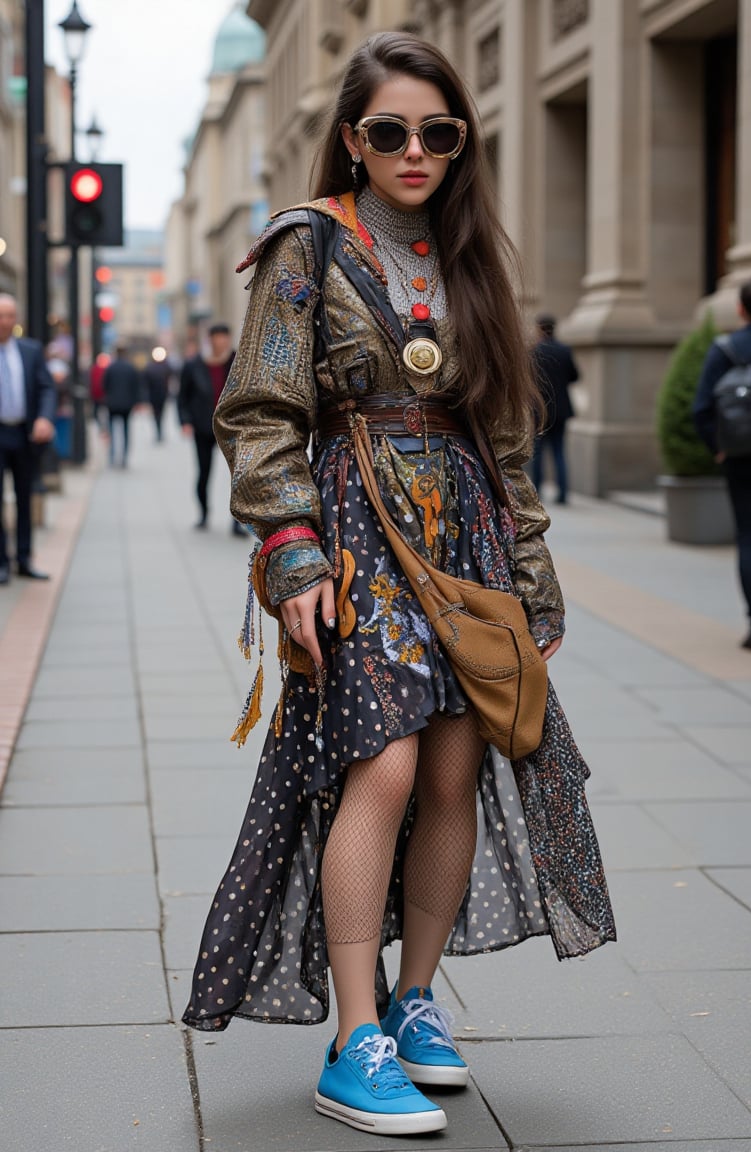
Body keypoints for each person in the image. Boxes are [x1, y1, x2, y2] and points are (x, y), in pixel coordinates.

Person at [182, 32, 615, 1137]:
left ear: (459, 141)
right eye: (390, 131)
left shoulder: (470, 253)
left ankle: (419, 1001)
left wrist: (533, 577)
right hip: (356, 527)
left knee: (457, 771)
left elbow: (505, 431)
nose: (414, 149)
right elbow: (260, 413)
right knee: (382, 765)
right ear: (352, 140)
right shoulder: (306, 248)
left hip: (464, 536)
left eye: (437, 131)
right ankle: (353, 1038)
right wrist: (291, 554)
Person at [693, 276, 751, 652]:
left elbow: (701, 409)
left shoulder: (724, 349)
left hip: (740, 458)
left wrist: (718, 448)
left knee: (750, 537)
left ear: (740, 309)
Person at [0, 293, 56, 584]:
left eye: (10, 315)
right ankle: (1, 563)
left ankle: (23, 558)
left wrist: (45, 418)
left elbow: (46, 387)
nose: (6, 322)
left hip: (24, 434)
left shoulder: (30, 350)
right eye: (1, 316)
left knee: (25, 496)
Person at [178, 323, 246, 535]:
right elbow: (183, 396)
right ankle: (204, 513)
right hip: (203, 426)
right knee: (204, 473)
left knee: (238, 476)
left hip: (232, 427)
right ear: (210, 339)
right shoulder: (194, 365)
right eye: (217, 337)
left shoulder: (239, 360)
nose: (221, 341)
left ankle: (237, 521)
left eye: (225, 337)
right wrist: (185, 421)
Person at [530, 313, 578, 505]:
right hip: (562, 409)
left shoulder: (534, 352)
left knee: (538, 453)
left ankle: (537, 492)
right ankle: (563, 493)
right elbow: (575, 376)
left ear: (540, 329)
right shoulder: (565, 350)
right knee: (559, 451)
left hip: (541, 410)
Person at [102, 345, 140, 468]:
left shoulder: (110, 367)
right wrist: (136, 402)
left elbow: (105, 385)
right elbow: (136, 386)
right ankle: (124, 457)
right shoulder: (130, 368)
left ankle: (112, 456)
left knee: (112, 430)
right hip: (127, 404)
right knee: (125, 430)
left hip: (112, 403)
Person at [142, 352, 173, 442]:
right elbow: (145, 382)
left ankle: (160, 431)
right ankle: (158, 431)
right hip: (153, 395)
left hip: (162, 394)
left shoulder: (165, 366)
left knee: (161, 414)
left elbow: (171, 373)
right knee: (156, 415)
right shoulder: (150, 367)